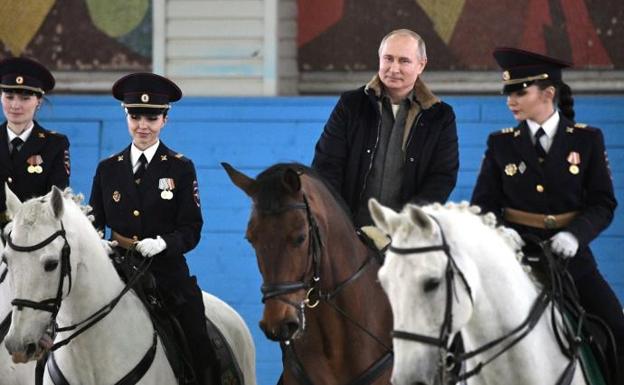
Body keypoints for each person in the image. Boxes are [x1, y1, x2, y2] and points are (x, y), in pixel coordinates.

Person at [471, 47, 624, 369]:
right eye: (508, 93)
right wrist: (506, 238)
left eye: (520, 92)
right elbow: (483, 207)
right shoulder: (500, 143)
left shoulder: (587, 141)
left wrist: (575, 236)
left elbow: (603, 203)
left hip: (572, 263)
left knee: (617, 326)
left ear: (548, 93)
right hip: (516, 261)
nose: (510, 100)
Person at [88, 73, 216, 385]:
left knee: (198, 338)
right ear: (126, 116)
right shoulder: (108, 168)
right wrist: (98, 243)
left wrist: (163, 243)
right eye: (135, 116)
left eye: (151, 117)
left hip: (166, 273)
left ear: (165, 120)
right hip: (117, 269)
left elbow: (191, 228)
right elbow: (94, 221)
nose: (142, 125)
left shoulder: (180, 167)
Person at [311, 29, 459, 227]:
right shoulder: (351, 105)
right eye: (388, 59)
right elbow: (326, 164)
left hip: (408, 235)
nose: (394, 68)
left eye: (404, 61)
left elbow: (442, 176)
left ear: (421, 65)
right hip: (348, 233)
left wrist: (408, 221)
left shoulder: (440, 117)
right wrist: (340, 220)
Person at [0, 57, 70, 226]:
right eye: (9, 97)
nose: (15, 105)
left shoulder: (55, 144)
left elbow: (56, 197)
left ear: (38, 101)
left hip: (33, 239)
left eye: (25, 98)